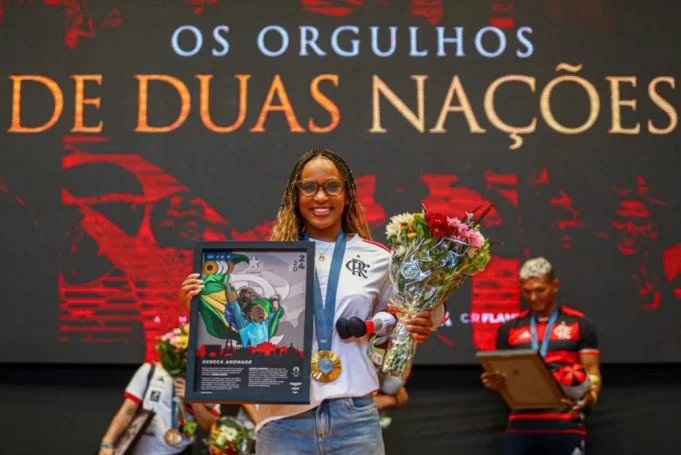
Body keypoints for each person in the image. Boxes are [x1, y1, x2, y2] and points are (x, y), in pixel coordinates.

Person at [179, 149, 439, 454]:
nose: (320, 197)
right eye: (309, 187)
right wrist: (201, 308)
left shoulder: (378, 258)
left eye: (332, 186)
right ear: (295, 195)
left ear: (347, 194)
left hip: (355, 420)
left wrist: (424, 320)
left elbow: (411, 314)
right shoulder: (266, 261)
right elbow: (239, 331)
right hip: (282, 422)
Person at [481, 257, 602, 455]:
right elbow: (504, 379)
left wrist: (590, 397)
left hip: (566, 422)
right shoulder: (509, 328)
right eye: (527, 291)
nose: (533, 297)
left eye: (540, 290)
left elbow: (592, 371)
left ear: (555, 285)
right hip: (521, 423)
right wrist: (495, 383)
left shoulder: (579, 324)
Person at [98, 363, 220, 455]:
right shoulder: (150, 370)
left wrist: (194, 400)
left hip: (180, 451)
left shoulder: (206, 379)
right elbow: (127, 411)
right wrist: (107, 443)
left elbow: (211, 426)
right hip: (142, 451)